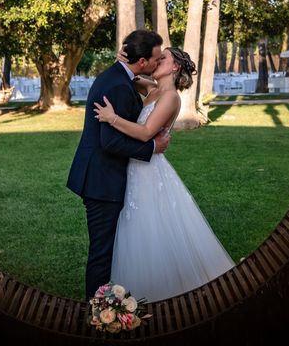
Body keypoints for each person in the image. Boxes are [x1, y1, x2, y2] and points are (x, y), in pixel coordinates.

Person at [93, 46, 235, 302]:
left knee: (151, 228)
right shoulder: (153, 88)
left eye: (163, 57)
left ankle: (160, 295)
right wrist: (121, 60)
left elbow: (146, 133)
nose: (157, 59)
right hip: (135, 167)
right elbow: (132, 75)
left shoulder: (170, 97)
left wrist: (112, 118)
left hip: (149, 172)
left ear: (174, 67)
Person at [66, 30, 170, 299]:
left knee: (108, 250)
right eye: (156, 59)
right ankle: (97, 313)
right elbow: (110, 142)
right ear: (143, 61)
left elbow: (139, 83)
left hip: (101, 176)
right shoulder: (117, 86)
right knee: (102, 254)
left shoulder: (119, 77)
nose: (158, 63)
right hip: (102, 181)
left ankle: (104, 306)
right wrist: (151, 147)